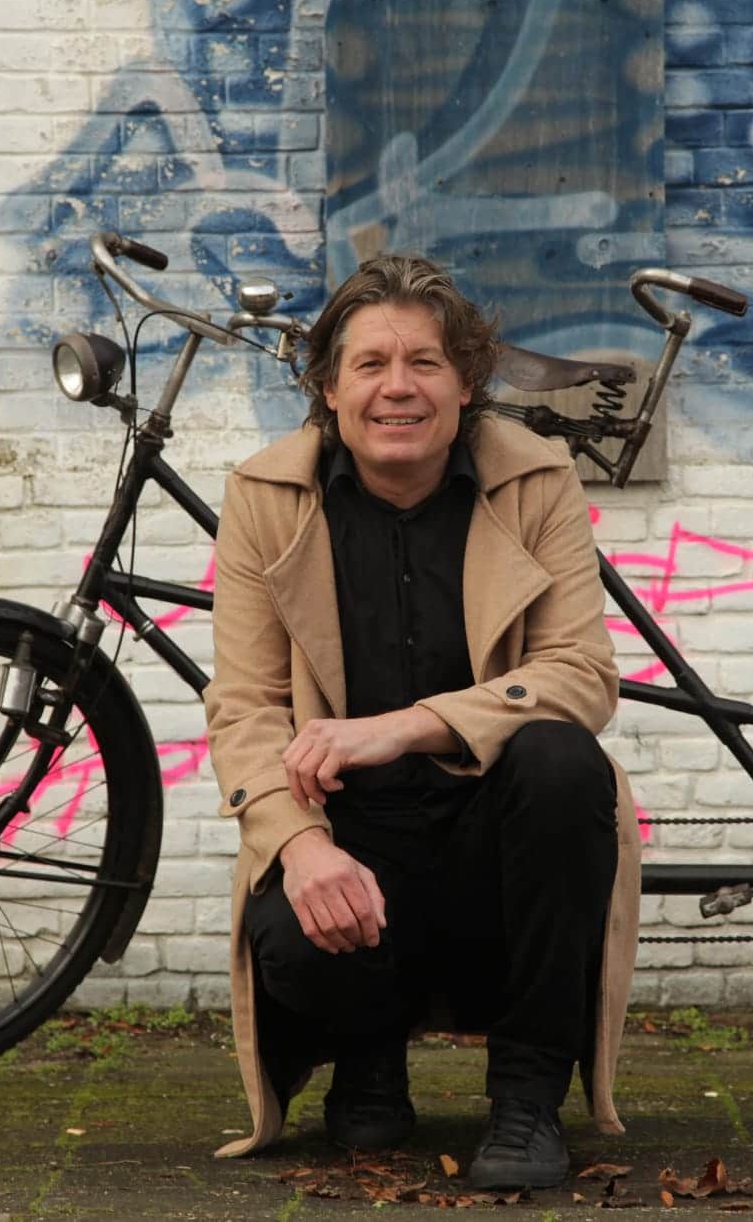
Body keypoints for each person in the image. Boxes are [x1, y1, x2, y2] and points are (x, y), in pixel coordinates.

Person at [203, 253, 640, 1189]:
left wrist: (404, 725)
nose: (397, 387)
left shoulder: (537, 479)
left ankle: (527, 1097)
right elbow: (244, 709)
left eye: (425, 362)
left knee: (564, 763)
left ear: (467, 381)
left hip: (490, 853)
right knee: (289, 927)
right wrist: (301, 848)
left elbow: (582, 674)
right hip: (352, 840)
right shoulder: (265, 496)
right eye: (369, 363)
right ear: (329, 388)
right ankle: (368, 1054)